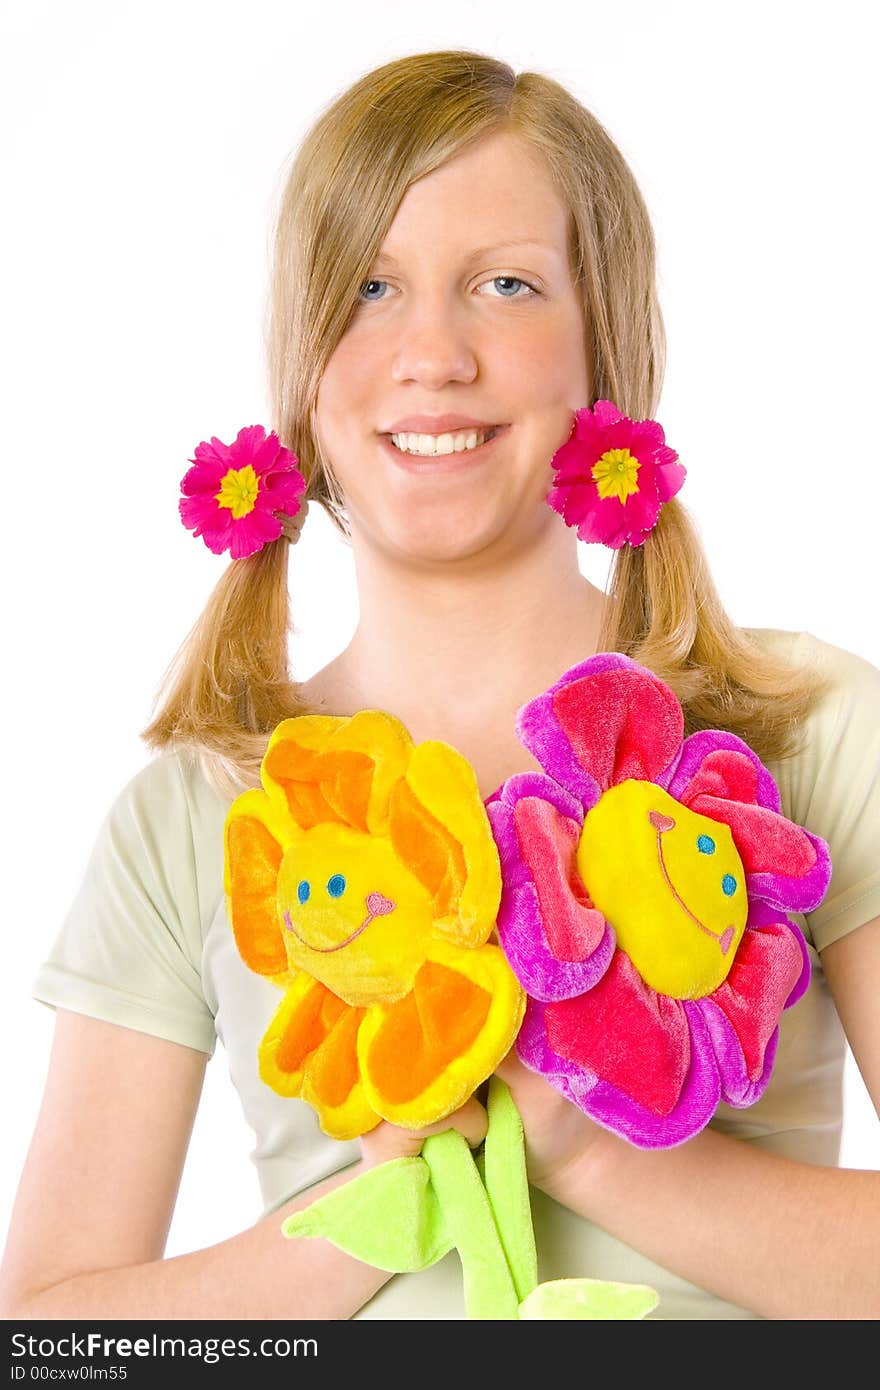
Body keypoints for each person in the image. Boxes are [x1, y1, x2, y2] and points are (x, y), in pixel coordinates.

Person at [1, 49, 877, 1322]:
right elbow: (57, 1346)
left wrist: (593, 1147)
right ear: (301, 366)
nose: (431, 354)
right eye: (369, 287)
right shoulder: (192, 818)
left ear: (604, 348)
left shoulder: (808, 729)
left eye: (505, 285)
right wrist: (373, 1210)